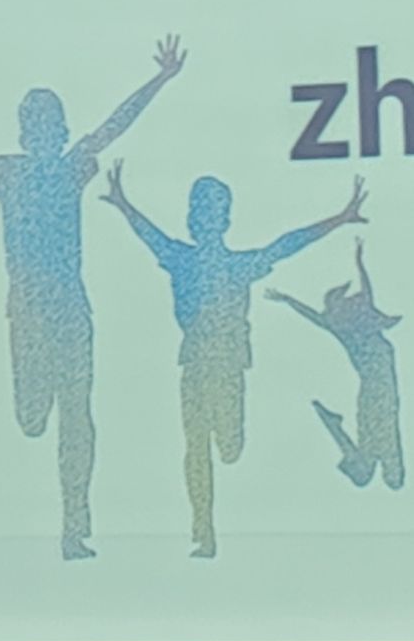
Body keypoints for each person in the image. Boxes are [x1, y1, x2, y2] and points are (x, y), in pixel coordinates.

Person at [0, 36, 184, 560]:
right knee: (32, 420)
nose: (46, 135)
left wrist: (160, 79)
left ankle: (75, 529)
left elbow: (114, 125)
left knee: (77, 416)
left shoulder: (71, 166)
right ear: (27, 134)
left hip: (70, 308)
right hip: (28, 312)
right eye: (38, 127)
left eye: (52, 127)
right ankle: (55, 466)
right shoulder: (10, 172)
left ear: (60, 132)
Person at [100, 164, 367, 558]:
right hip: (195, 365)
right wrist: (123, 204)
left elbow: (287, 244)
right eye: (199, 213)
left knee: (229, 447)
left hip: (229, 367)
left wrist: (339, 218)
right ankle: (203, 532)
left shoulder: (238, 265)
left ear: (224, 221)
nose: (205, 221)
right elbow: (149, 234)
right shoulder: (181, 258)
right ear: (192, 220)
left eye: (213, 213)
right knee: (196, 447)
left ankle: (209, 513)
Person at [267, 241, 403, 491]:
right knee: (385, 474)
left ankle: (333, 424)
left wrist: (359, 262)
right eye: (346, 301)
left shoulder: (352, 324)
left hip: (378, 393)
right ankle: (333, 425)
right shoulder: (345, 327)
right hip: (378, 392)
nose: (353, 301)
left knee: (379, 472)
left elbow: (364, 290)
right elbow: (316, 315)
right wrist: (288, 299)